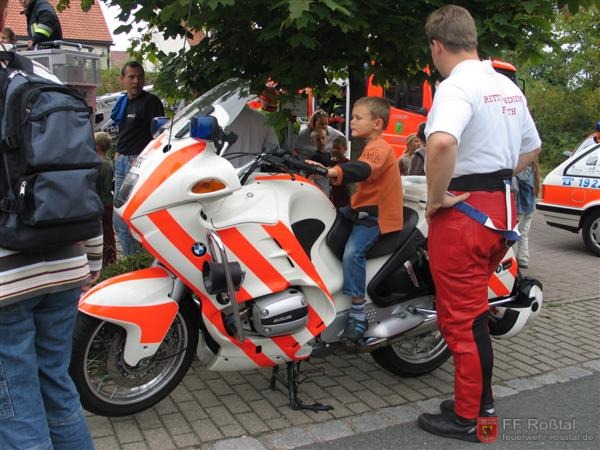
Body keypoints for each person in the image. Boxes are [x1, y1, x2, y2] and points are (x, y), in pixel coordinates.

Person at [416, 5, 541, 443]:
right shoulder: (503, 85)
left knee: (461, 321)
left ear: (437, 45)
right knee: (475, 315)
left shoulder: (456, 87)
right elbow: (532, 148)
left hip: (465, 215)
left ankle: (474, 419)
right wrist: (498, 171)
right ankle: (475, 403)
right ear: (471, 38)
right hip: (500, 213)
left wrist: (436, 197)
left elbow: (443, 142)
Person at [0, 47, 99, 450]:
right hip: (65, 263)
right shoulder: (43, 75)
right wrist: (91, 261)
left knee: (16, 408)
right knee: (58, 391)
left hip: (6, 280)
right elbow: (81, 176)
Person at [310, 97, 403, 341]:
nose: (351, 121)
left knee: (353, 252)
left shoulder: (381, 148)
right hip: (358, 210)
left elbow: (362, 170)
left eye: (358, 117)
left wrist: (332, 171)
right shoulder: (369, 147)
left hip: (375, 216)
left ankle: (358, 312)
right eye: (352, 117)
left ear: (377, 123)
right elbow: (350, 166)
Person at [112, 61, 164, 256]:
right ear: (122, 80)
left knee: (131, 218)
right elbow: (124, 131)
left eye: (139, 76)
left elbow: (159, 136)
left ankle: (135, 263)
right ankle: (131, 261)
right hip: (121, 162)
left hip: (138, 164)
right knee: (119, 220)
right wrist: (119, 152)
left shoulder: (150, 102)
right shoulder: (122, 102)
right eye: (131, 77)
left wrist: (143, 160)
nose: (136, 81)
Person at [95, 131, 117, 267]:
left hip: (103, 204)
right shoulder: (109, 163)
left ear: (97, 147)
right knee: (108, 231)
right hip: (107, 202)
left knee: (106, 232)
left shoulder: (100, 166)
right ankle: (110, 258)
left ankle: (109, 258)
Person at [514, 160, 539, 268]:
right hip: (529, 208)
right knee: (523, 234)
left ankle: (511, 259)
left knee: (512, 234)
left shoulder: (519, 171)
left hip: (519, 208)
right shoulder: (534, 170)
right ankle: (523, 259)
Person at [330, 135, 351, 208]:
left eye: (338, 148)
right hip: (334, 193)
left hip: (344, 193)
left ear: (345, 149)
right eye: (334, 147)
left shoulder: (347, 163)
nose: (335, 150)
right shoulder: (331, 162)